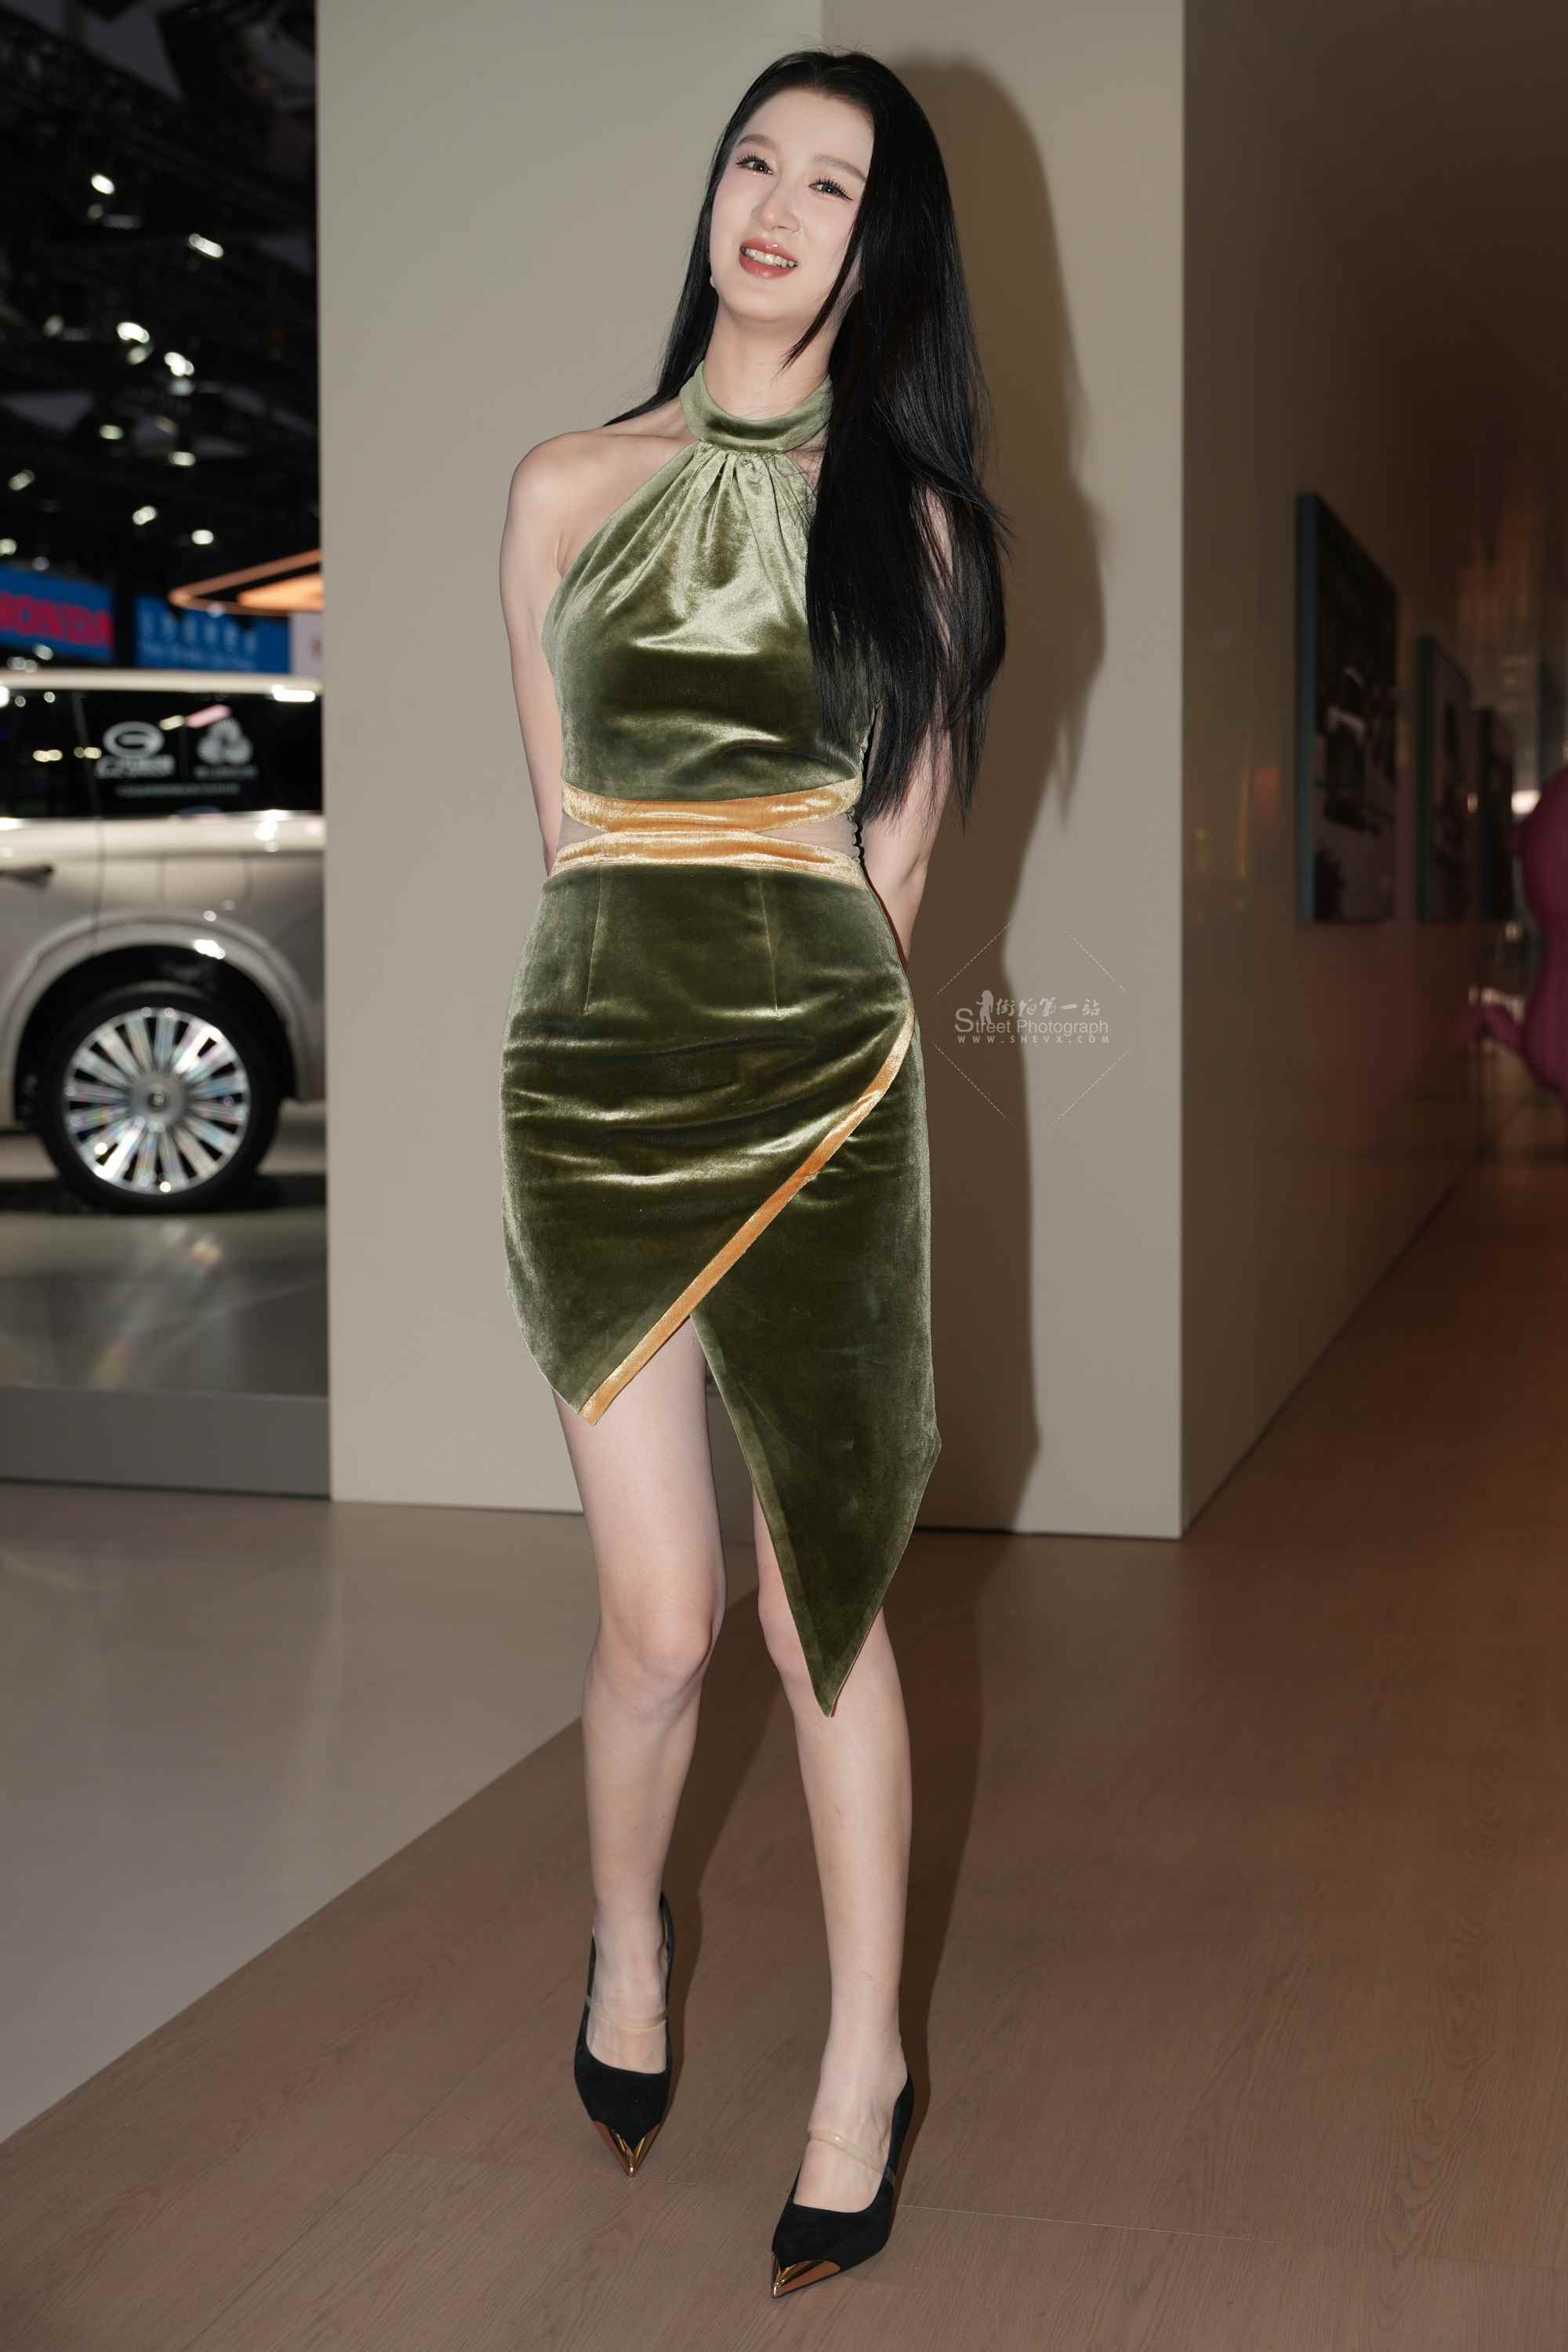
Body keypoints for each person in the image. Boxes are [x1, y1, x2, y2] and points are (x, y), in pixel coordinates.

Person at [498, 45, 1007, 2297]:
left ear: (885, 248)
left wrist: (837, 1075)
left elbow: (899, 881)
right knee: (659, 1619)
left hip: (824, 1092)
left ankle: (861, 2070)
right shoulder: (562, 488)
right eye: (754, 163)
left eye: (835, 186)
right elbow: (565, 835)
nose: (779, 210)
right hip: (596, 1077)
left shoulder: (916, 530)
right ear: (712, 191)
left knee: (825, 1606)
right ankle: (630, 1932)